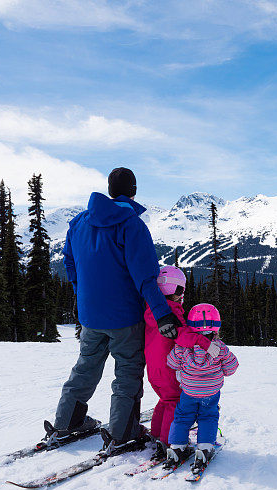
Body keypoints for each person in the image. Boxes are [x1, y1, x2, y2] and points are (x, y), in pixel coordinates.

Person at [45, 167, 189, 452]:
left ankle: (66, 423)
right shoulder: (131, 225)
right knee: (127, 372)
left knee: (85, 367)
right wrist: (163, 314)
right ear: (133, 191)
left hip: (90, 314)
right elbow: (146, 277)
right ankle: (123, 432)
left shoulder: (79, 223)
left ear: (110, 190)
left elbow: (69, 263)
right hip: (124, 317)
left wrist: (82, 293)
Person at [144, 266, 222, 459]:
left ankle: (156, 434)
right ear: (173, 289)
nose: (182, 295)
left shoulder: (151, 308)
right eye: (180, 290)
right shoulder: (170, 312)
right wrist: (204, 342)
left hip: (153, 367)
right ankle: (170, 442)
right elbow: (182, 334)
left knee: (164, 399)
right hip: (168, 365)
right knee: (174, 401)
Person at [164, 303, 238, 472]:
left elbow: (171, 362)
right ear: (217, 328)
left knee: (182, 417)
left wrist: (183, 367)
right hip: (211, 393)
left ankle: (176, 448)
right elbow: (231, 368)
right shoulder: (220, 348)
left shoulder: (183, 346)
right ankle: (204, 448)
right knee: (208, 417)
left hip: (189, 391)